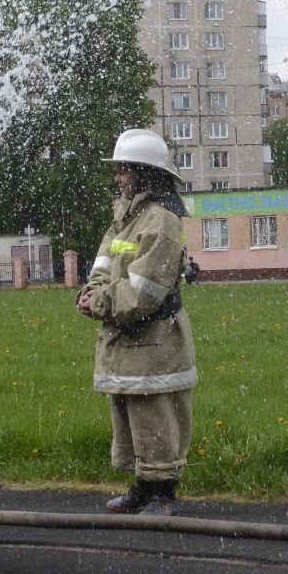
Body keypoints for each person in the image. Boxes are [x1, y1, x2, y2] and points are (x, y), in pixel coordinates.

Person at [78, 129, 197, 517]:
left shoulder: (162, 223)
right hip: (127, 339)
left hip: (156, 341)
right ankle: (144, 490)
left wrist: (100, 301)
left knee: (155, 415)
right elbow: (102, 265)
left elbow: (145, 292)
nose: (119, 178)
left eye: (125, 170)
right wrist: (92, 292)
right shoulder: (125, 219)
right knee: (132, 415)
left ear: (146, 174)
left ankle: (162, 494)